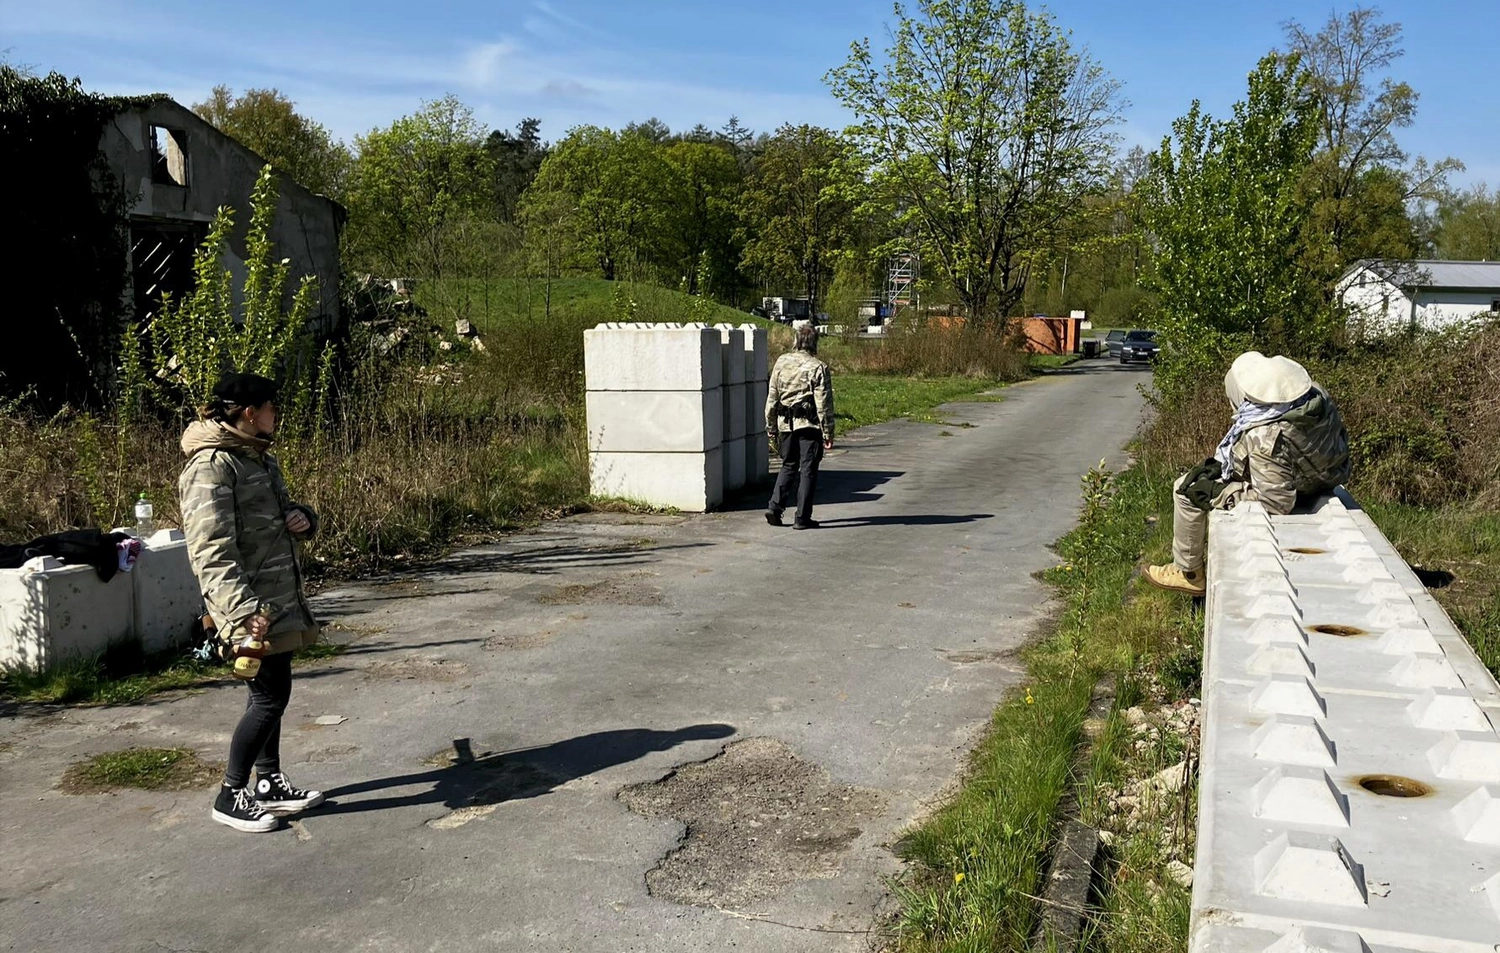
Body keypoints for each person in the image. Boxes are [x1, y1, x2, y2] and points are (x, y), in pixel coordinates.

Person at [179, 371, 325, 832]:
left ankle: (269, 781)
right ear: (249, 412)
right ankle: (230, 794)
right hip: (247, 607)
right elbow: (210, 551)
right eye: (271, 407)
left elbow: (280, 514)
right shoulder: (211, 467)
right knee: (268, 697)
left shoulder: (258, 458)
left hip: (274, 599)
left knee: (272, 693)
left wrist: (303, 517)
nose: (275, 414)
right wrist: (243, 613)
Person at [1145, 351, 1350, 596]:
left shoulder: (1264, 433)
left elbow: (1277, 503)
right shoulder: (1317, 398)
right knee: (1205, 475)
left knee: (1185, 488)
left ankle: (1188, 573)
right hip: (1325, 477)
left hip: (1296, 490)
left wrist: (1220, 492)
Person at [765, 321, 835, 529]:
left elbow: (772, 397)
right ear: (814, 342)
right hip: (809, 425)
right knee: (808, 469)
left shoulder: (781, 362)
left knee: (788, 465)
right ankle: (802, 517)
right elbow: (823, 404)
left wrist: (770, 426)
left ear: (796, 340)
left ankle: (774, 507)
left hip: (785, 423)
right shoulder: (818, 367)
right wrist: (828, 432)